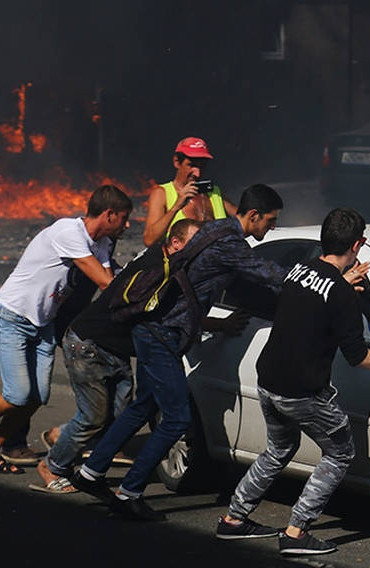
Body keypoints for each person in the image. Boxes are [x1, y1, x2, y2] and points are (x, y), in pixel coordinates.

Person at [70, 183, 290, 521]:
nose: (271, 228)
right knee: (176, 418)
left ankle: (90, 472)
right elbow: (269, 274)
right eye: (270, 221)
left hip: (151, 328)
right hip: (161, 334)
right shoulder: (230, 242)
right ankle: (129, 493)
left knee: (145, 404)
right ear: (254, 215)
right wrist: (322, 279)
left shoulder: (213, 229)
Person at [216, 207, 370, 556]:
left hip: (268, 381)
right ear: (358, 244)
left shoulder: (300, 270)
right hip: (301, 391)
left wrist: (341, 284)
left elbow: (313, 296)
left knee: (279, 449)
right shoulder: (342, 295)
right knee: (340, 452)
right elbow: (359, 357)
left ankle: (234, 520)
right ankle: (296, 532)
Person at [32, 219, 203, 494]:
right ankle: (51, 466)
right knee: (93, 417)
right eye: (193, 244)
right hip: (89, 345)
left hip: (114, 348)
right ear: (175, 243)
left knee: (121, 414)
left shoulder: (166, 263)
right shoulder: (155, 268)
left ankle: (62, 438)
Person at [0, 185, 132, 474]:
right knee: (17, 395)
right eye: (123, 218)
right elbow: (107, 284)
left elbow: (112, 279)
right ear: (109, 215)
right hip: (13, 315)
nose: (128, 224)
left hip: (43, 322)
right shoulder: (68, 232)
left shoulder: (102, 244)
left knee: (37, 397)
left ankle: (3, 443)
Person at [142, 136, 237, 247]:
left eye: (202, 167)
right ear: (177, 162)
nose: (197, 173)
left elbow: (245, 221)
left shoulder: (214, 193)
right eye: (191, 165)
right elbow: (149, 240)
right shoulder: (161, 193)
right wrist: (177, 206)